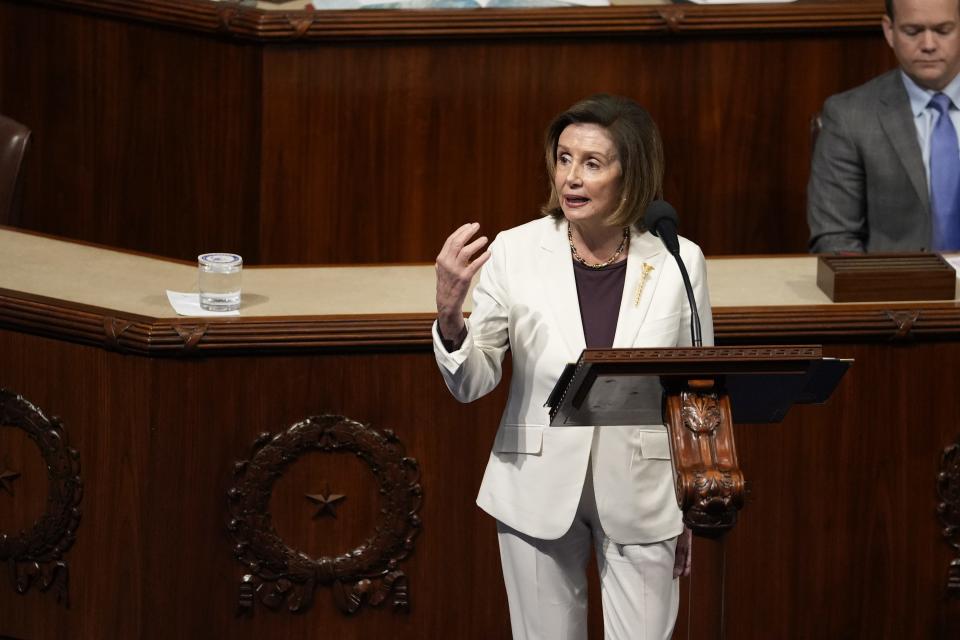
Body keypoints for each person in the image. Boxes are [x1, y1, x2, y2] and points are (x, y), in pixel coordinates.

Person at [432, 94, 714, 640]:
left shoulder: (680, 259)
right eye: (563, 158)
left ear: (631, 172)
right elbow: (474, 381)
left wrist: (694, 499)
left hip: (645, 490)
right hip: (535, 484)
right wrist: (449, 317)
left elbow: (693, 390)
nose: (571, 178)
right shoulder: (514, 252)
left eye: (592, 163)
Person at [807, 0, 960, 253]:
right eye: (913, 31)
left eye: (943, 31)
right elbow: (834, 238)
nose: (929, 45)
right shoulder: (849, 116)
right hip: (892, 288)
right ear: (890, 31)